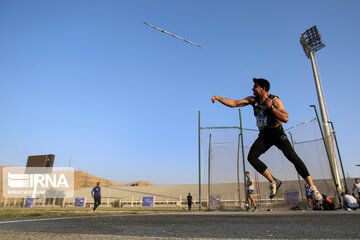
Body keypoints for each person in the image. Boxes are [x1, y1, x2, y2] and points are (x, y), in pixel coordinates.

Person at [212, 78, 323, 205]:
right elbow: (235, 103)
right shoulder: (252, 100)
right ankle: (273, 181)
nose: (252, 89)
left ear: (263, 88)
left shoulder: (274, 100)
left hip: (277, 132)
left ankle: (313, 187)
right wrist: (219, 98)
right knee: (252, 157)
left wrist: (271, 109)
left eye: (255, 86)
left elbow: (286, 118)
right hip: (264, 135)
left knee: (293, 157)